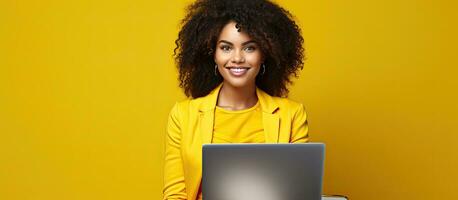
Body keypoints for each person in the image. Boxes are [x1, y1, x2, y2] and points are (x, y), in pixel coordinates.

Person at [163, 0, 308, 199]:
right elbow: (175, 194)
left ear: (264, 54)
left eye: (249, 48)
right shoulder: (183, 115)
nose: (237, 58)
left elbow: (297, 192)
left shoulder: (292, 115)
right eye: (226, 47)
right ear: (213, 54)